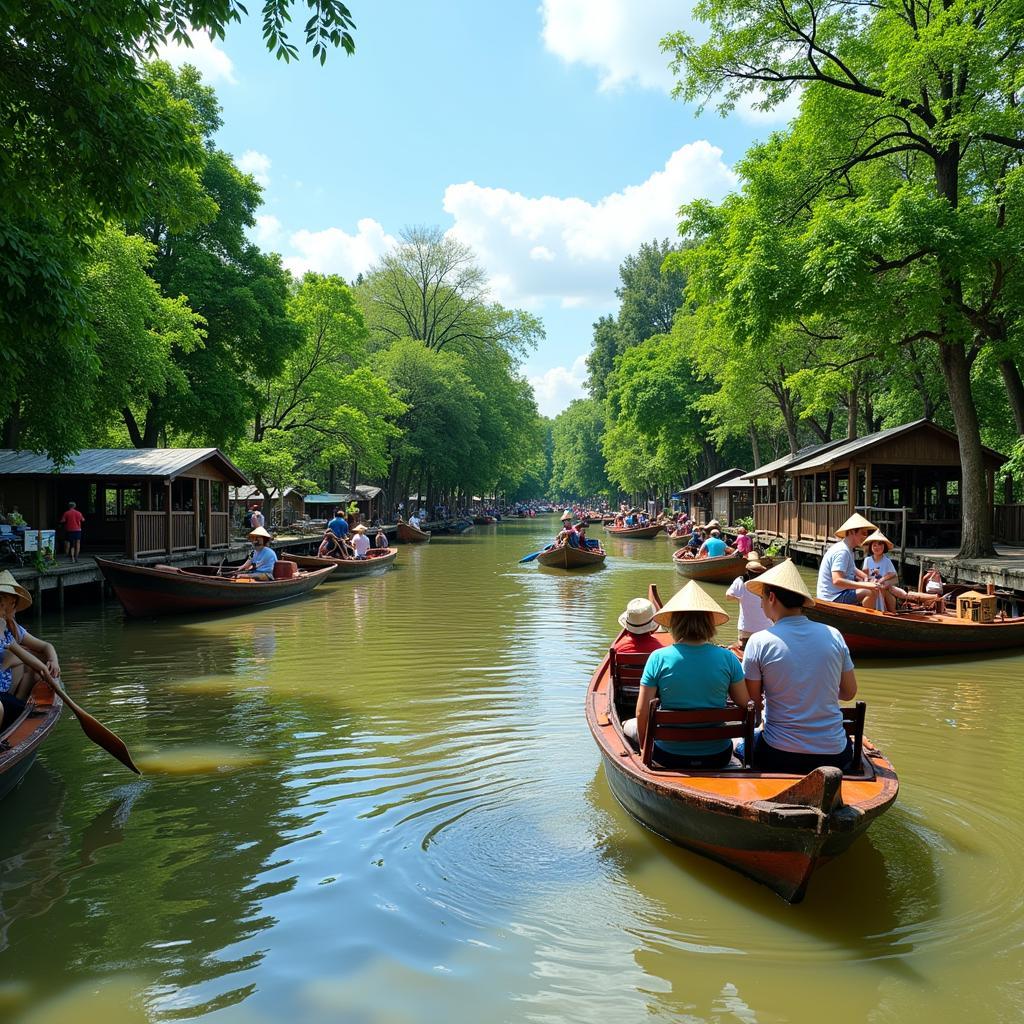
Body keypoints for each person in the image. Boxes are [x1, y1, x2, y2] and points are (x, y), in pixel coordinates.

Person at [741, 559, 857, 773]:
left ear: (772, 598)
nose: (760, 604)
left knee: (739, 746)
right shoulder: (834, 634)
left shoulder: (758, 641)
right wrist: (818, 691)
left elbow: (753, 704)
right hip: (835, 755)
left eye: (762, 598)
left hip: (779, 753)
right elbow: (849, 692)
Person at [621, 581, 748, 768]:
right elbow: (744, 704)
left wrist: (643, 750)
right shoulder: (728, 658)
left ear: (675, 623)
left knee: (627, 724)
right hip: (717, 756)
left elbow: (642, 712)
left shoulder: (658, 658)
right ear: (709, 622)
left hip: (668, 755)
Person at [0, 571, 60, 730]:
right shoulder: (2, 629)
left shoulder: (11, 628)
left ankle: (18, 708)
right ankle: (16, 715)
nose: (15, 607)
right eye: (12, 603)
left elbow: (46, 647)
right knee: (20, 659)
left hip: (4, 688)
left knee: (28, 665)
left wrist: (52, 663)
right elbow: (18, 653)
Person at [816, 513, 882, 608]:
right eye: (863, 534)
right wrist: (866, 585)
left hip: (837, 593)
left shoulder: (847, 549)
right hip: (833, 597)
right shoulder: (842, 551)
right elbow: (837, 580)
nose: (865, 537)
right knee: (869, 591)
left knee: (871, 586)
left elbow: (853, 568)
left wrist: (864, 577)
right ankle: (867, 620)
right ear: (852, 532)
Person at [726, 553, 773, 649]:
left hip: (746, 627)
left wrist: (739, 599)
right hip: (766, 628)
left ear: (747, 571)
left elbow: (728, 596)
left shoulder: (741, 581)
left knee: (744, 649)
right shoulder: (767, 584)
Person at [862, 531, 902, 612]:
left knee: (883, 590)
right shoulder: (867, 560)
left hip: (884, 588)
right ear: (871, 547)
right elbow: (865, 576)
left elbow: (893, 575)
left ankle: (885, 611)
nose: (877, 547)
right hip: (872, 588)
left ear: (884, 546)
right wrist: (870, 582)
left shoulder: (887, 561)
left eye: (880, 544)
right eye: (874, 545)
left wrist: (882, 579)